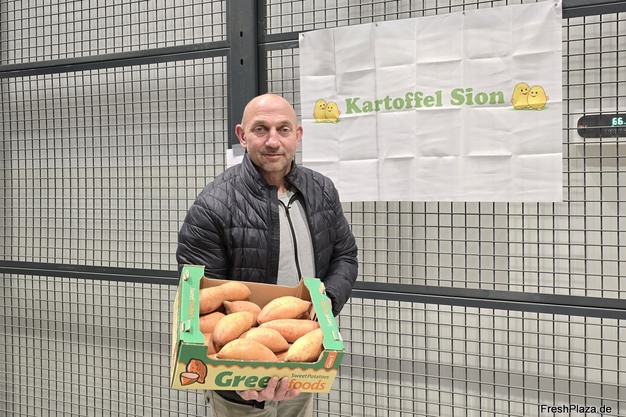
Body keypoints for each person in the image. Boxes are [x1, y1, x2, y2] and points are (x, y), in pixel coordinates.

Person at [176, 93, 359, 416]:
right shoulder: (213, 205)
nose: (273, 141)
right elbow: (202, 300)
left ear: (297, 135)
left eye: (283, 129)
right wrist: (232, 380)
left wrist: (326, 303)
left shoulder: (322, 190)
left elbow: (345, 255)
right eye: (261, 129)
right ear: (242, 135)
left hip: (300, 364)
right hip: (239, 380)